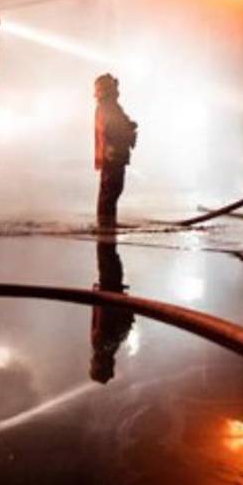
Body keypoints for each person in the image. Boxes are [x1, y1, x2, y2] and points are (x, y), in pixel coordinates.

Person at [94, 74, 137, 228]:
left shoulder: (110, 106)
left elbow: (117, 124)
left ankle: (107, 223)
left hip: (113, 155)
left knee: (111, 191)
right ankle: (105, 224)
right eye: (113, 86)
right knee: (110, 192)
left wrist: (128, 125)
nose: (116, 89)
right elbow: (110, 129)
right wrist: (127, 129)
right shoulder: (107, 107)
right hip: (112, 156)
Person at [89, 239, 134, 384]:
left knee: (108, 250)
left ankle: (107, 225)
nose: (90, 362)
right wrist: (97, 294)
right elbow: (100, 315)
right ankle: (107, 225)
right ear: (100, 366)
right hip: (109, 285)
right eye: (93, 366)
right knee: (105, 247)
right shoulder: (101, 345)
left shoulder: (112, 346)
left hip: (113, 286)